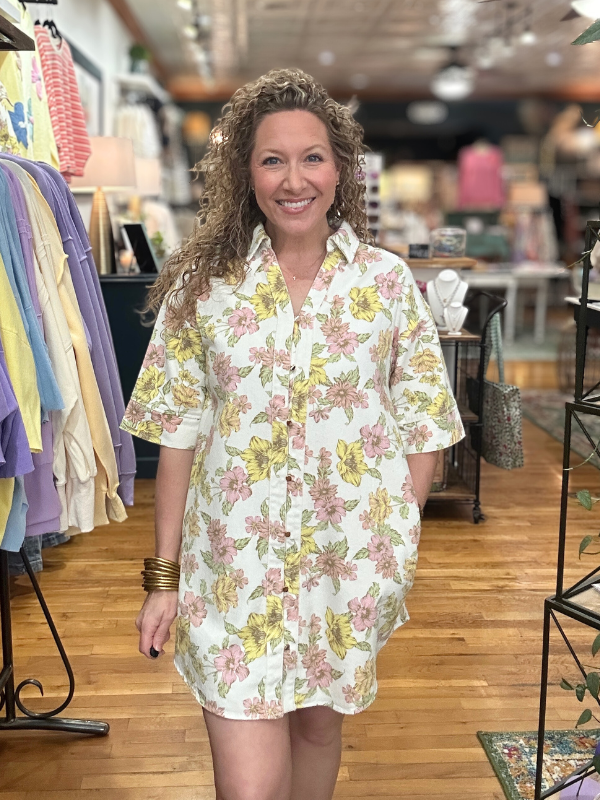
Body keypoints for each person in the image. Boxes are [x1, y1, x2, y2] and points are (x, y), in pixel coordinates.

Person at [121, 68, 464, 800]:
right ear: (246, 175)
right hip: (233, 577)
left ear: (340, 171)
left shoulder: (387, 284)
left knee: (317, 732)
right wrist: (163, 579)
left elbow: (425, 419)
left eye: (312, 157)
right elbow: (176, 434)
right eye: (272, 159)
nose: (293, 179)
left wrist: (397, 538)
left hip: (345, 575)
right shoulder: (205, 289)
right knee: (249, 790)